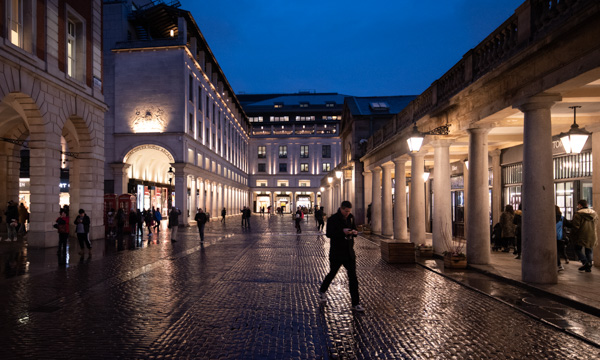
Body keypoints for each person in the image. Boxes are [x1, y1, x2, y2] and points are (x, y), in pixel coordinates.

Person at [318, 201, 364, 312]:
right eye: (346, 211)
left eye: (349, 211)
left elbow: (354, 228)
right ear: (341, 209)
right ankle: (322, 290)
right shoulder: (333, 219)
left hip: (349, 252)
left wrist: (354, 232)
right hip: (337, 252)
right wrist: (342, 232)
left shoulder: (351, 218)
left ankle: (355, 303)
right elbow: (329, 234)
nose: (347, 213)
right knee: (332, 273)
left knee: (353, 278)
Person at [569, 199, 598, 273]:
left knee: (577, 249)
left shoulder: (578, 214)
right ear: (587, 205)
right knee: (589, 250)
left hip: (581, 235)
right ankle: (588, 267)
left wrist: (572, 235)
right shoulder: (594, 213)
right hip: (592, 235)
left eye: (578, 205)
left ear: (580, 205)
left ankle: (585, 262)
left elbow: (576, 226)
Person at [556, 206, 569, 271]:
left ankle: (559, 264)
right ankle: (561, 263)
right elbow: (569, 224)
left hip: (551, 237)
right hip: (560, 237)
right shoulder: (562, 218)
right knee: (559, 250)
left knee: (556, 252)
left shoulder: (548, 217)